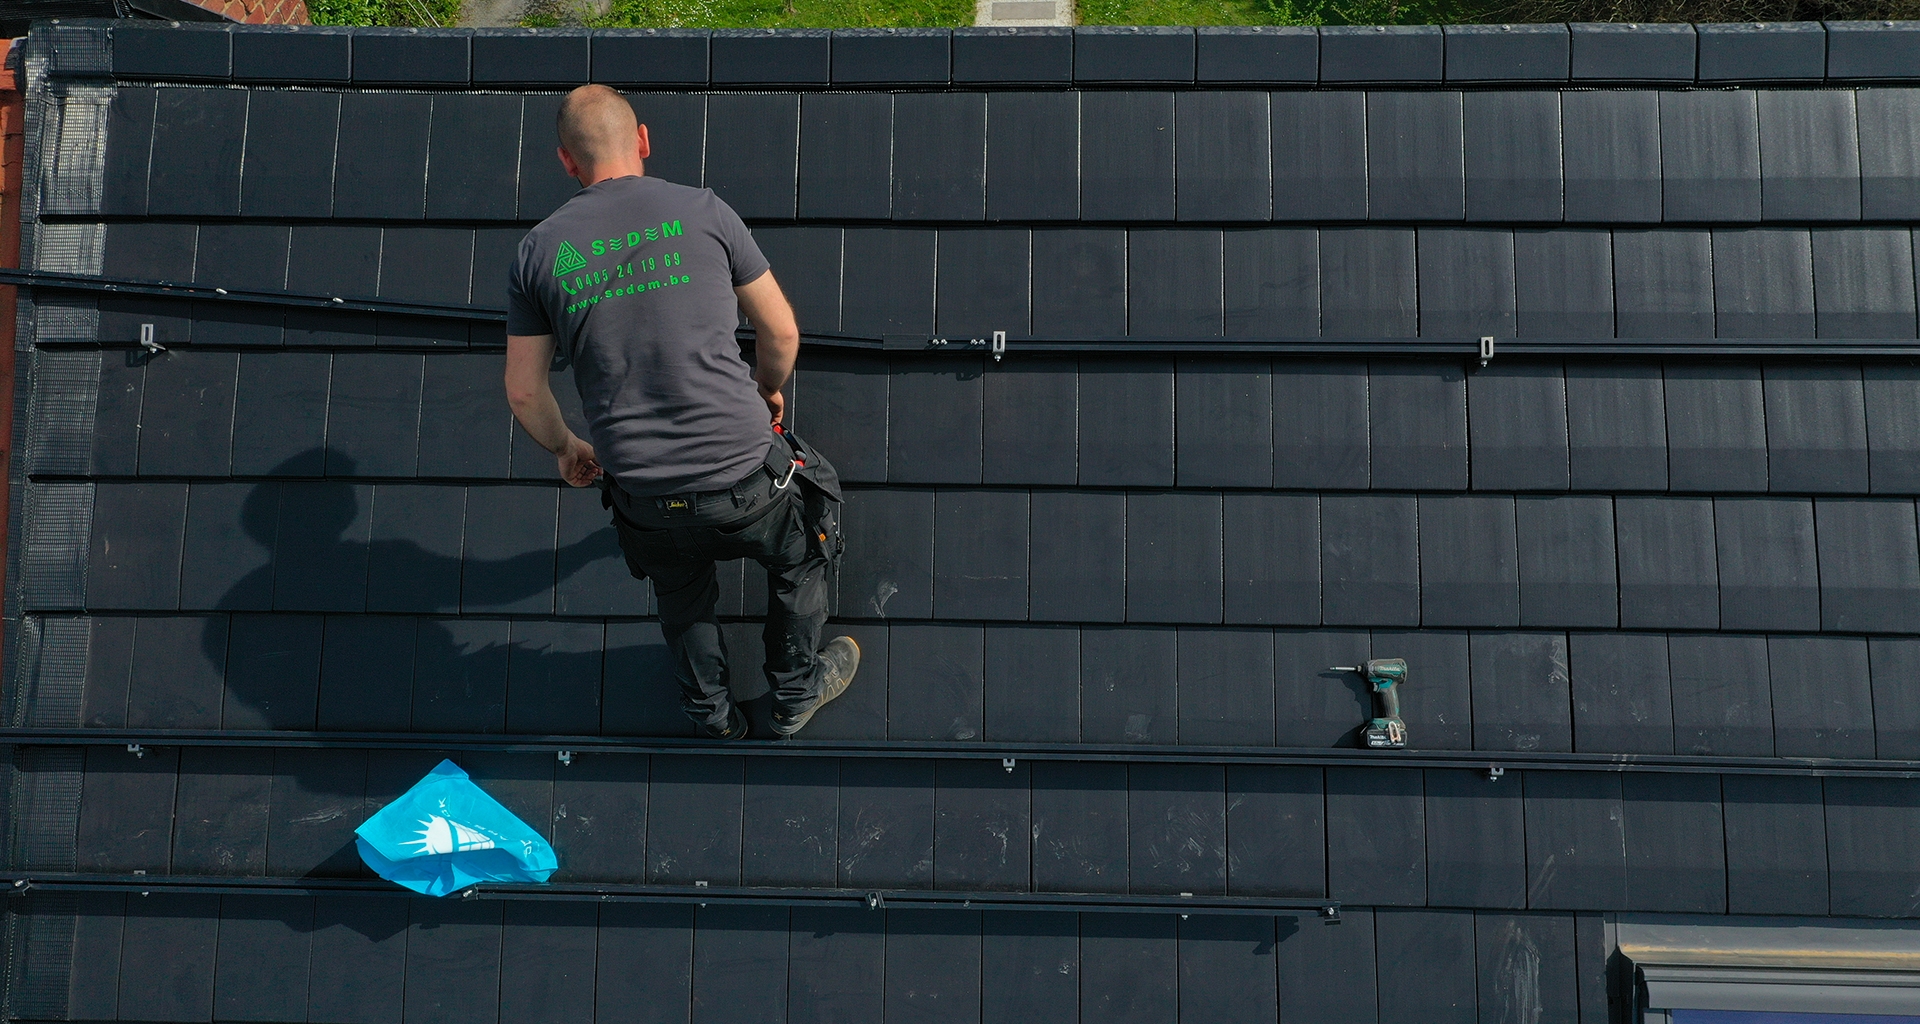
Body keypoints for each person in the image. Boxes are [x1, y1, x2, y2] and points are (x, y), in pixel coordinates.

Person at [503, 84, 857, 741]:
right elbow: (781, 335)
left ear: (566, 162)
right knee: (809, 532)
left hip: (645, 497)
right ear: (642, 140)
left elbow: (524, 392)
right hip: (746, 484)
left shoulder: (538, 252)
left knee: (682, 592)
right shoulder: (702, 212)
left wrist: (567, 449)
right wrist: (766, 389)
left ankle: (710, 717)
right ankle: (793, 697)